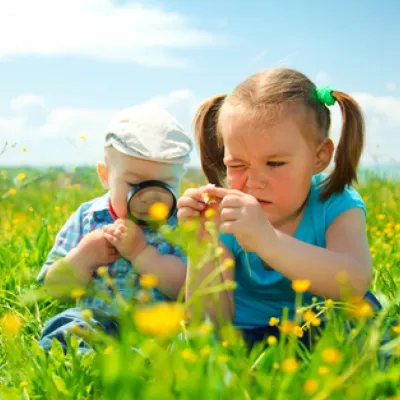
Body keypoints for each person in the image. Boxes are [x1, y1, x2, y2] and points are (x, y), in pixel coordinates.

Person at [177, 67, 384, 349]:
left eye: (274, 164)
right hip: (248, 337)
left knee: (367, 319)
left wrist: (267, 241)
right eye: (236, 166)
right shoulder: (225, 213)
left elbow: (355, 283)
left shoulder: (336, 201)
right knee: (191, 349)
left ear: (319, 156)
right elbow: (209, 322)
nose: (254, 182)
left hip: (325, 331)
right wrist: (200, 244)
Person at [37, 104, 193, 352]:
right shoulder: (87, 217)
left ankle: (148, 368)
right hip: (96, 320)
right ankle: (83, 362)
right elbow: (54, 287)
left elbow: (188, 289)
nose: (150, 197)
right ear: (105, 175)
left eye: (165, 184)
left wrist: (142, 254)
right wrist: (84, 255)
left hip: (160, 327)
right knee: (69, 323)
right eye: (134, 183)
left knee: (189, 339)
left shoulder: (182, 223)